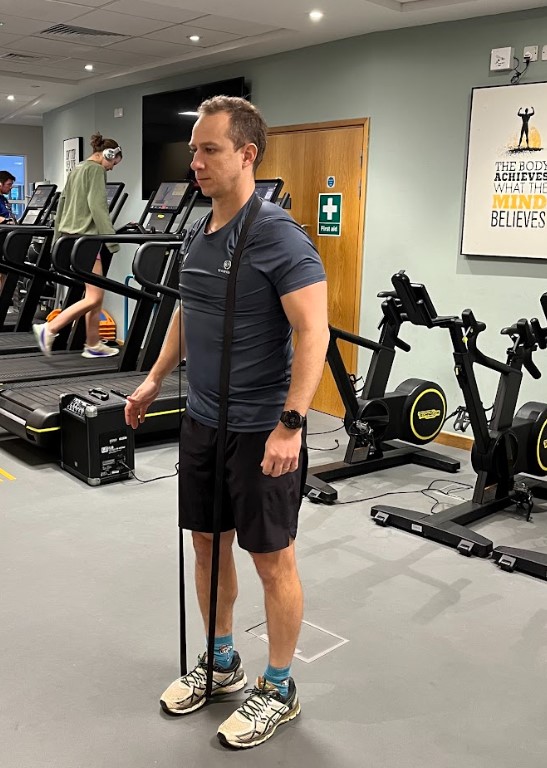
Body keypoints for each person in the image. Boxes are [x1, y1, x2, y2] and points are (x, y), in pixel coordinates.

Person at [124, 95, 329, 749]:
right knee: (207, 545)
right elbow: (190, 309)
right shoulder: (198, 230)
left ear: (247, 154)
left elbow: (313, 333)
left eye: (209, 149)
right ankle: (221, 661)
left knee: (272, 560)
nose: (195, 162)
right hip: (203, 422)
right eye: (193, 150)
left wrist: (291, 424)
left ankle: (279, 687)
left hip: (260, 427)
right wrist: (155, 377)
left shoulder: (279, 236)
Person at [32, 133, 122, 358]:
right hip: (87, 241)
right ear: (107, 155)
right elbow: (98, 206)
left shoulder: (78, 169)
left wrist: (56, 241)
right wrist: (112, 242)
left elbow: (61, 205)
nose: (111, 168)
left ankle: (93, 344)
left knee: (96, 295)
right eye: (113, 163)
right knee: (93, 296)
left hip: (70, 239)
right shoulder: (96, 170)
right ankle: (49, 329)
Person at [0, 170, 17, 294]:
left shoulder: (3, 199)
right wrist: (6, 221)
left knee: (5, 274)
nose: (11, 187)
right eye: (9, 184)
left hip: (5, 241)